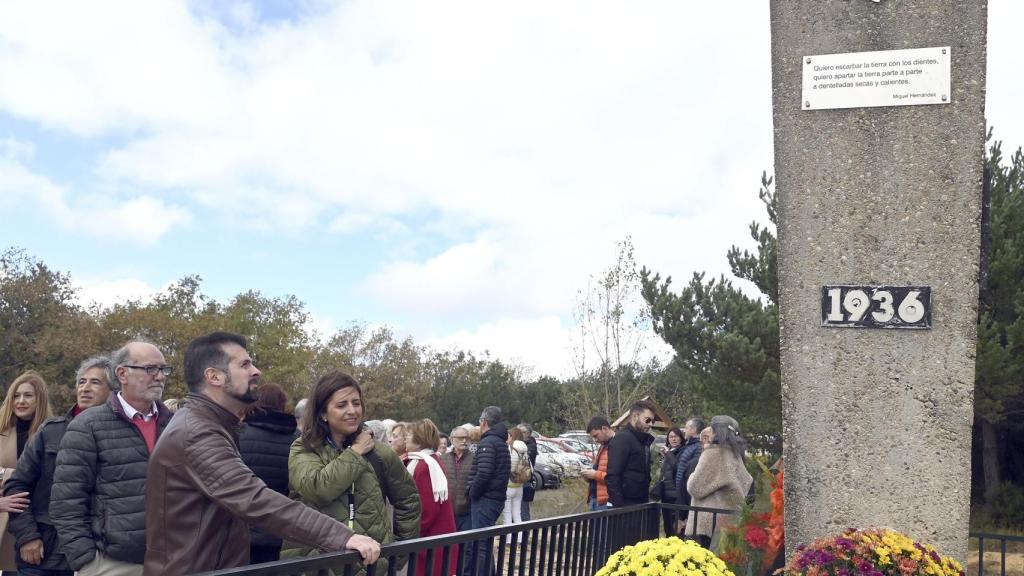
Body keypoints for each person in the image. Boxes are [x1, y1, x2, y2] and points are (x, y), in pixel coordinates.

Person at [143, 333, 379, 574]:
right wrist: (341, 536)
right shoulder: (197, 433)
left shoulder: (210, 424)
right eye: (244, 364)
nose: (256, 371)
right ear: (214, 376)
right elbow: (253, 498)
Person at [51, 341, 173, 576]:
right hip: (110, 564)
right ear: (122, 373)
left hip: (171, 560)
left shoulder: (176, 424)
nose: (159, 376)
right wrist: (86, 562)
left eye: (163, 369)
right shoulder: (87, 425)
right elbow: (66, 501)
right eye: (150, 369)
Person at [281, 370, 420, 575]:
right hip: (315, 567)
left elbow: (408, 500)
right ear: (322, 413)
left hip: (372, 566)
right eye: (341, 405)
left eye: (356, 403)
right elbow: (318, 489)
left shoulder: (379, 453)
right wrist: (355, 452)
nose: (352, 410)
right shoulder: (304, 448)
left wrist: (396, 553)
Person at [4, 357, 112, 576]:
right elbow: (18, 485)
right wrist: (28, 537)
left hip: (101, 556)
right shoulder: (50, 431)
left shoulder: (124, 437)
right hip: (44, 554)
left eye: (95, 382)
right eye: (81, 382)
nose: (85, 388)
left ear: (114, 390)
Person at [237, 383, 298, 564]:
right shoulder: (297, 440)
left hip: (243, 530)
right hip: (283, 529)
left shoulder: (238, 434)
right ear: (283, 404)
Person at [0, 370, 52, 572]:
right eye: (16, 395)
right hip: (4, 520)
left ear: (40, 399)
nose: (21, 401)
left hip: (38, 525)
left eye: (28, 395)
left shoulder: (51, 433)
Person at [685, 416, 753, 550]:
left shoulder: (713, 453)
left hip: (707, 524)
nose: (709, 430)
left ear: (717, 431)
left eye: (712, 427)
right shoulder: (735, 454)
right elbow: (747, 482)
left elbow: (694, 487)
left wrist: (692, 475)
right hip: (728, 522)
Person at [404, 419, 457, 576]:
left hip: (430, 540)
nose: (406, 438)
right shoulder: (426, 461)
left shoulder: (424, 465)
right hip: (433, 539)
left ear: (419, 442)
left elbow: (428, 509)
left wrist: (411, 531)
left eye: (409, 435)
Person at [467, 406, 510, 575]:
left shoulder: (488, 442)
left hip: (486, 500)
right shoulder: (499, 441)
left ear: (484, 422)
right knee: (484, 543)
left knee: (480, 545)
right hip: (495, 498)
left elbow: (484, 473)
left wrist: (472, 492)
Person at [605, 400, 656, 508]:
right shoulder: (622, 439)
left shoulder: (641, 441)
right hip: (625, 507)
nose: (651, 424)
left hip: (639, 504)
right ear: (635, 416)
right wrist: (619, 506)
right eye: (647, 420)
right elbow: (612, 476)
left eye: (653, 421)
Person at [440, 426, 474, 532]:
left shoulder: (474, 458)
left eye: (466, 438)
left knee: (466, 546)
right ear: (452, 439)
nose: (464, 441)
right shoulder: (443, 459)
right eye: (460, 438)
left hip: (467, 511)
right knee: (450, 546)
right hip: (448, 512)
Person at [653, 427, 684, 536]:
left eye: (676, 436)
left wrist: (668, 454)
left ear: (681, 438)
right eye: (671, 437)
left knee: (675, 527)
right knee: (667, 525)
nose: (673, 439)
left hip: (675, 495)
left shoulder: (682, 451)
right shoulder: (669, 452)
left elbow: (677, 468)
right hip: (665, 494)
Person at [502, 427, 530, 544]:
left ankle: (508, 541)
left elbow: (511, 468)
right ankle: (519, 540)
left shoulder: (512, 448)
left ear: (512, 436)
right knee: (517, 513)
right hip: (519, 485)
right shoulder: (524, 448)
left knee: (507, 514)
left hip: (509, 486)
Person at [581, 416, 613, 510]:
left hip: (606, 500)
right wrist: (589, 476)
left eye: (596, 436)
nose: (595, 440)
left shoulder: (616, 446)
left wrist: (594, 475)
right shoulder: (603, 446)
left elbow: (614, 477)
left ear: (605, 428)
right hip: (595, 497)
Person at [517, 423, 537, 521]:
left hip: (525, 481)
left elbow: (524, 456)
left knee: (523, 510)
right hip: (514, 481)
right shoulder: (515, 444)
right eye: (518, 432)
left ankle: (525, 534)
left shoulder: (531, 445)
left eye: (523, 432)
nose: (521, 434)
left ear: (529, 434)